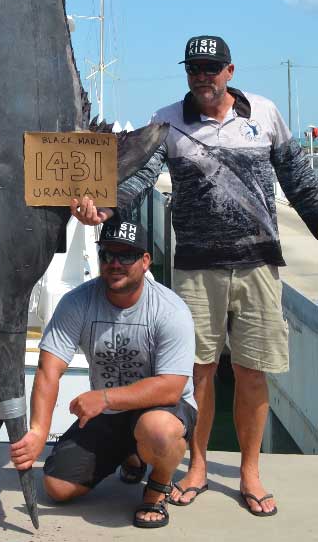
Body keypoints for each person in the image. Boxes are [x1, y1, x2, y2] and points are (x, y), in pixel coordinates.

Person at [70, 35, 318, 517]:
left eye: (212, 68)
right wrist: (104, 208)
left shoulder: (263, 113)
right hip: (196, 268)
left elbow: (301, 182)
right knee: (196, 373)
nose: (203, 76)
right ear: (187, 73)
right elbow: (140, 180)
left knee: (252, 372)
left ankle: (250, 471)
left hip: (259, 266)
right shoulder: (167, 121)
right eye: (194, 69)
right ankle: (198, 466)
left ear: (230, 70)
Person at [10, 219, 197, 530]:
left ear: (146, 261)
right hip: (111, 414)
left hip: (164, 410)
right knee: (57, 487)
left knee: (158, 430)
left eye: (126, 256)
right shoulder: (77, 302)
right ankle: (132, 455)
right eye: (107, 255)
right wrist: (38, 432)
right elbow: (49, 369)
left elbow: (171, 388)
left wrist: (105, 397)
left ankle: (157, 488)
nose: (115, 264)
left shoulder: (170, 310)